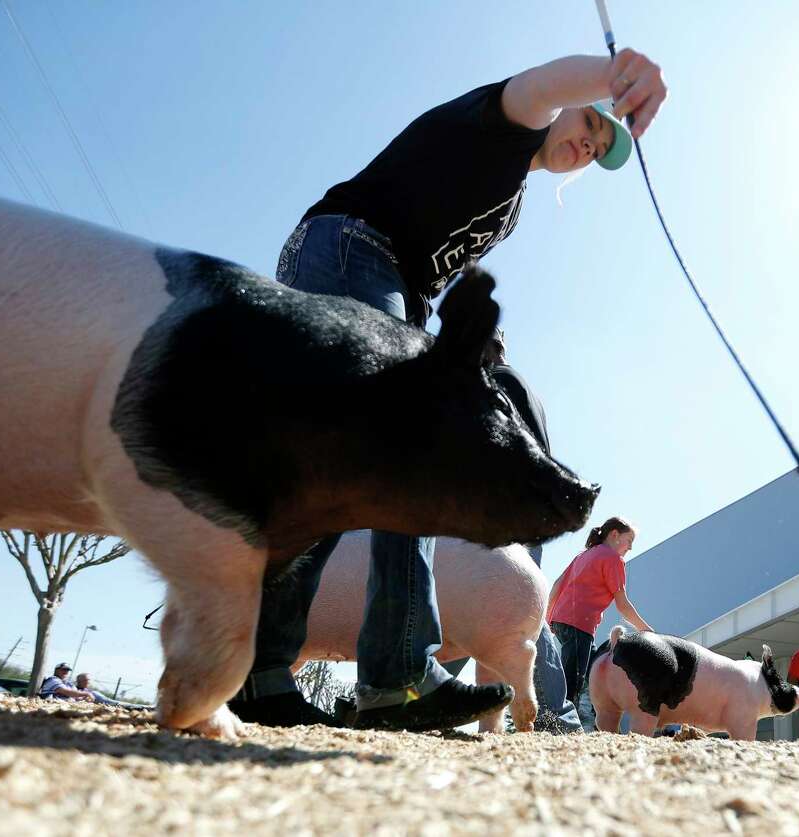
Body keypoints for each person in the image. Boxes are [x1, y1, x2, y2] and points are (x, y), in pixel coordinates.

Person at [230, 48, 669, 732]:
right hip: (350, 247)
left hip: (391, 280)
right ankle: (379, 670)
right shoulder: (509, 123)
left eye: (601, 146)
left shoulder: (512, 203)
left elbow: (438, 273)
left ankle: (342, 674)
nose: (588, 143)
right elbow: (544, 86)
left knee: (364, 465)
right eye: (589, 122)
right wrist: (617, 78)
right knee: (396, 456)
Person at [484, 330, 581, 733]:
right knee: (515, 609)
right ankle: (555, 713)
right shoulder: (521, 385)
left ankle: (556, 714)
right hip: (529, 512)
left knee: (516, 611)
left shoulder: (498, 382)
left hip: (511, 512)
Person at [547, 517, 653, 708]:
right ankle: (561, 725)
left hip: (562, 621)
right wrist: (647, 631)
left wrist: (548, 619)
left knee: (595, 667)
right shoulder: (613, 559)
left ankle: (600, 716)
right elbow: (623, 605)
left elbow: (556, 584)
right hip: (579, 624)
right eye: (629, 541)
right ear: (615, 535)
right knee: (573, 682)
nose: (630, 548)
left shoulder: (584, 555)